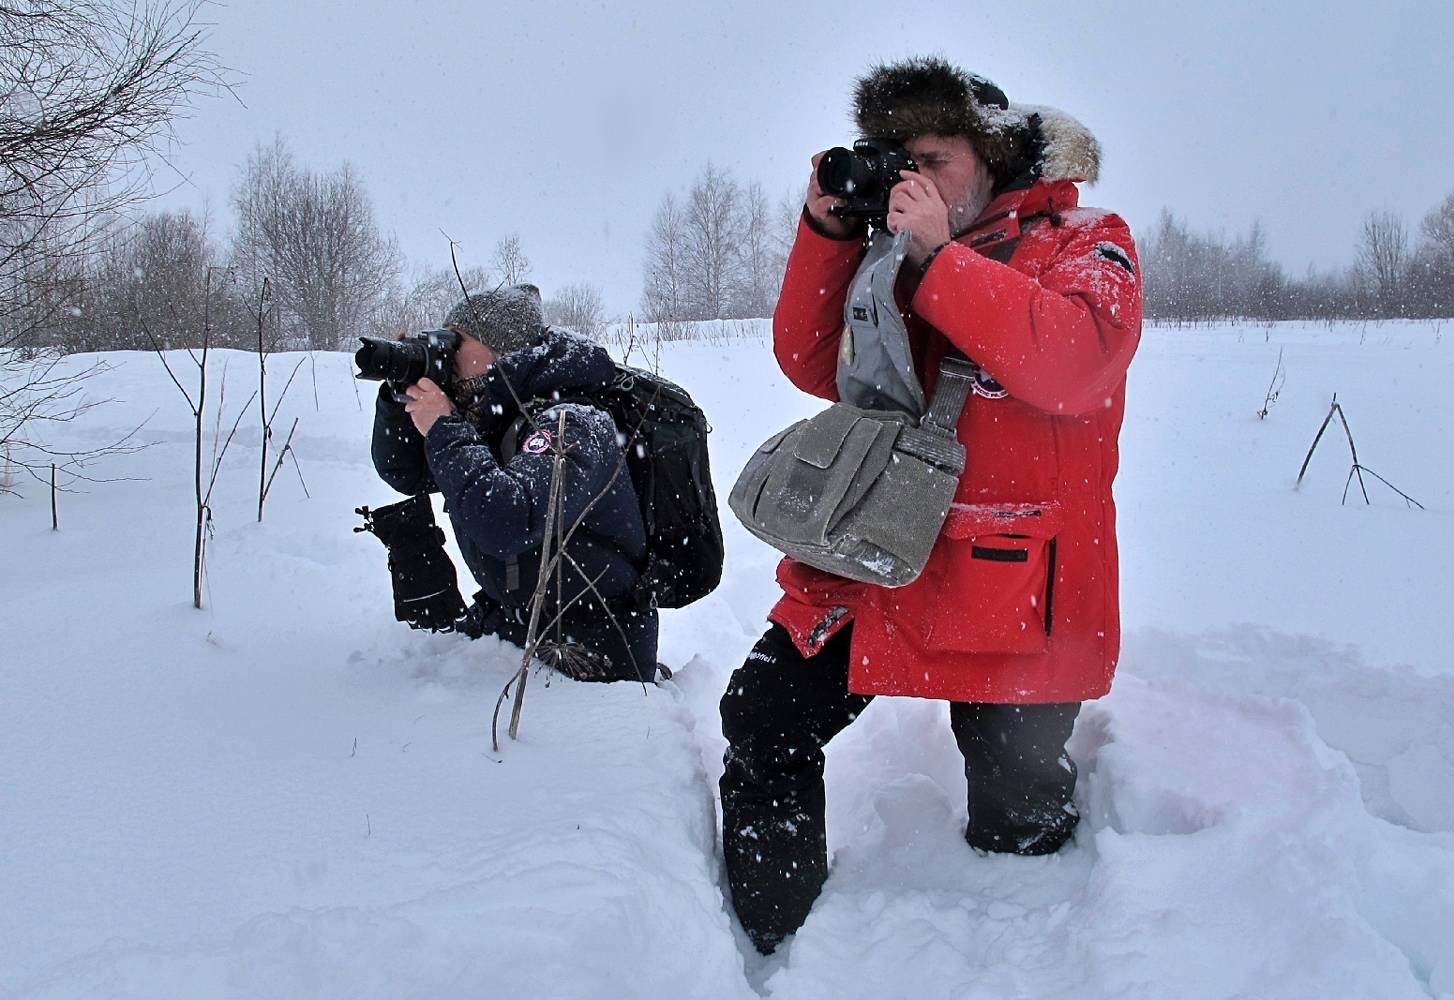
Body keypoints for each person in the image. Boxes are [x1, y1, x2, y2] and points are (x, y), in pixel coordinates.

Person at [719, 56, 1144, 953]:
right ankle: (772, 943)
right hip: (878, 550)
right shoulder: (888, 248)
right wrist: (830, 232)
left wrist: (942, 260)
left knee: (1014, 796)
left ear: (992, 158)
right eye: (899, 160)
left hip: (1012, 582)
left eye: (935, 159)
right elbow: (810, 360)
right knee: (762, 714)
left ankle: (1025, 950)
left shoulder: (1087, 240)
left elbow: (1072, 364)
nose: (912, 178)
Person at [370, 285, 658, 682]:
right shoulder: (492, 413)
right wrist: (398, 398)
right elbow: (406, 472)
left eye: (458, 341)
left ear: (502, 350)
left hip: (590, 642)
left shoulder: (573, 422)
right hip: (514, 620)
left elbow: (508, 520)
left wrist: (443, 427)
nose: (447, 352)